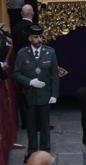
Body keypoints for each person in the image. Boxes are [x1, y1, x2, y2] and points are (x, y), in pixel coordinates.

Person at [14, 24, 60, 152]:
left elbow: (54, 76)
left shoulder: (50, 52)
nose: (39, 40)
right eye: (35, 37)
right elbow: (16, 74)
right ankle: (32, 150)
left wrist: (54, 95)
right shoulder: (22, 54)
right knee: (31, 126)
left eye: (40, 36)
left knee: (45, 126)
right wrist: (29, 82)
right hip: (29, 95)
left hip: (45, 96)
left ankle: (46, 150)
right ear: (30, 38)